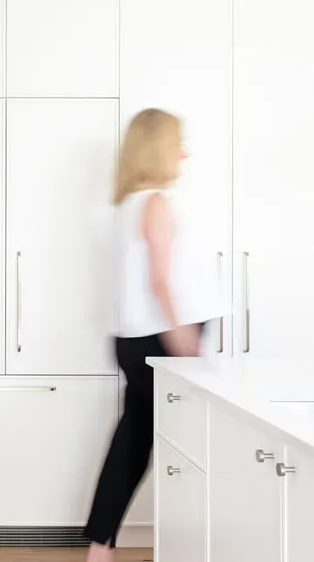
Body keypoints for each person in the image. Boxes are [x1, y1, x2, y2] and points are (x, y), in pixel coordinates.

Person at [83, 108, 220, 562]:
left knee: (134, 441)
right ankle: (199, 545)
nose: (184, 152)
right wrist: (182, 337)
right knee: (195, 442)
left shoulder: (123, 206)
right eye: (178, 142)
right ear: (160, 148)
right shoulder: (156, 202)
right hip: (162, 338)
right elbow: (162, 278)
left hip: (133, 338)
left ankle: (100, 547)